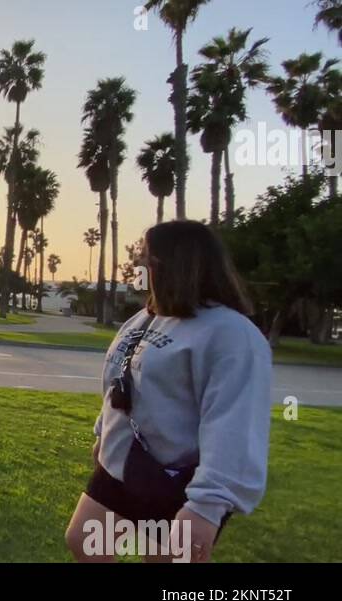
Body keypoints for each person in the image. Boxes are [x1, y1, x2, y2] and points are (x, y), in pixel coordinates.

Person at [65, 221, 272, 563]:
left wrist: (205, 507)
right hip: (121, 467)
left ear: (178, 263)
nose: (138, 264)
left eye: (147, 257)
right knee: (85, 543)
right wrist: (104, 433)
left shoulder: (232, 335)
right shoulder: (144, 319)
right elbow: (119, 382)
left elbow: (234, 424)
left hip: (179, 482)